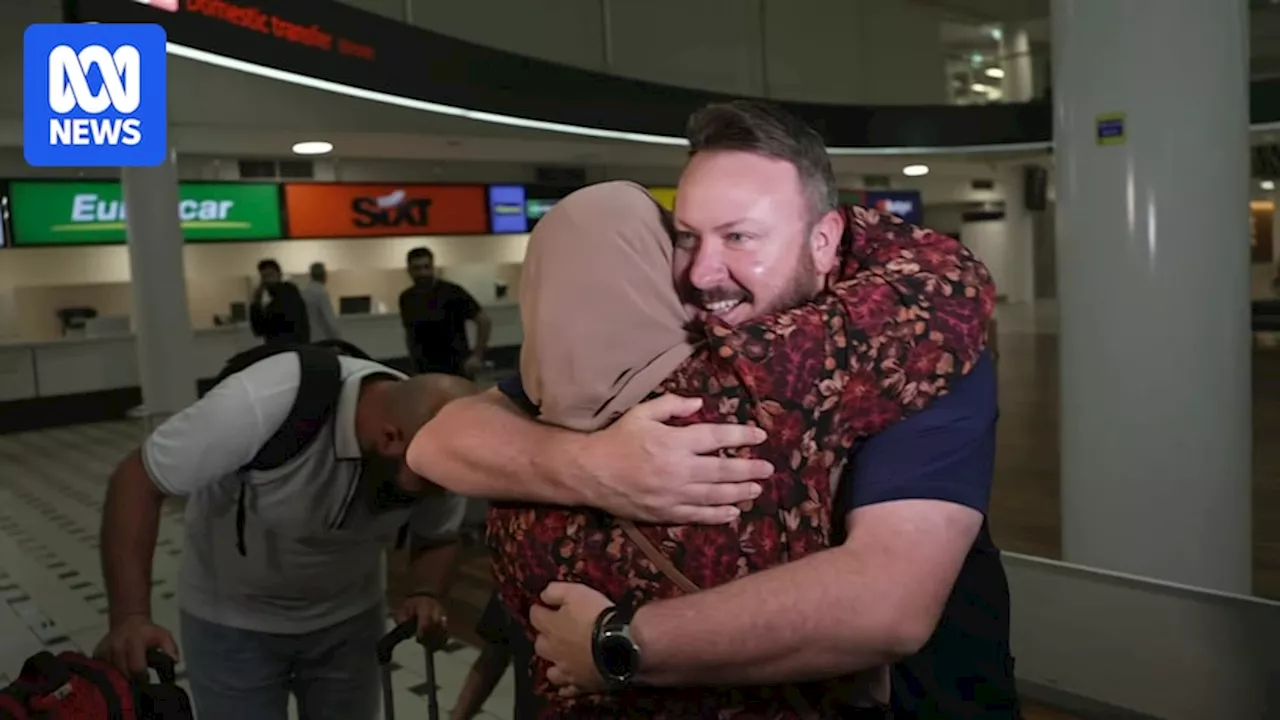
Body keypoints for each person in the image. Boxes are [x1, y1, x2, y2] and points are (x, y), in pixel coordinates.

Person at [408, 100, 1017, 719]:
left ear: (826, 239)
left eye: (739, 237)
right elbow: (439, 441)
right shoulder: (675, 346)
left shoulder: (915, 349)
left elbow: (889, 604)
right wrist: (594, 464)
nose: (702, 273)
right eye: (686, 238)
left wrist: (617, 640)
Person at [93, 352, 478, 720]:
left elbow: (438, 535)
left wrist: (426, 591)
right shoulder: (263, 401)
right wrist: (130, 617)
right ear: (391, 438)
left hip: (350, 623)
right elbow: (139, 479)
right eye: (426, 485)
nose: (435, 494)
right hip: (233, 622)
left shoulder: (439, 448)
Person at [399, 247, 492, 378]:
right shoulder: (406, 298)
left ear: (433, 267)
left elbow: (484, 320)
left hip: (456, 368)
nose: (423, 273)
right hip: (425, 371)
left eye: (427, 267)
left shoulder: (452, 292)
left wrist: (477, 356)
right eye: (417, 268)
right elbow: (409, 332)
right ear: (409, 271)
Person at [250, 258, 310, 345]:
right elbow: (259, 330)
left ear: (279, 275)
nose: (267, 280)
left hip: (290, 349)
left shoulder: (288, 293)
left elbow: (266, 326)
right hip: (284, 350)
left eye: (270, 275)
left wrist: (257, 303)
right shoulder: (274, 300)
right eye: (264, 277)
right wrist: (256, 302)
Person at [302, 262, 342, 341]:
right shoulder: (321, 292)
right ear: (324, 275)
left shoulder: (305, 292)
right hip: (321, 339)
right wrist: (339, 338)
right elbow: (330, 320)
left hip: (308, 338)